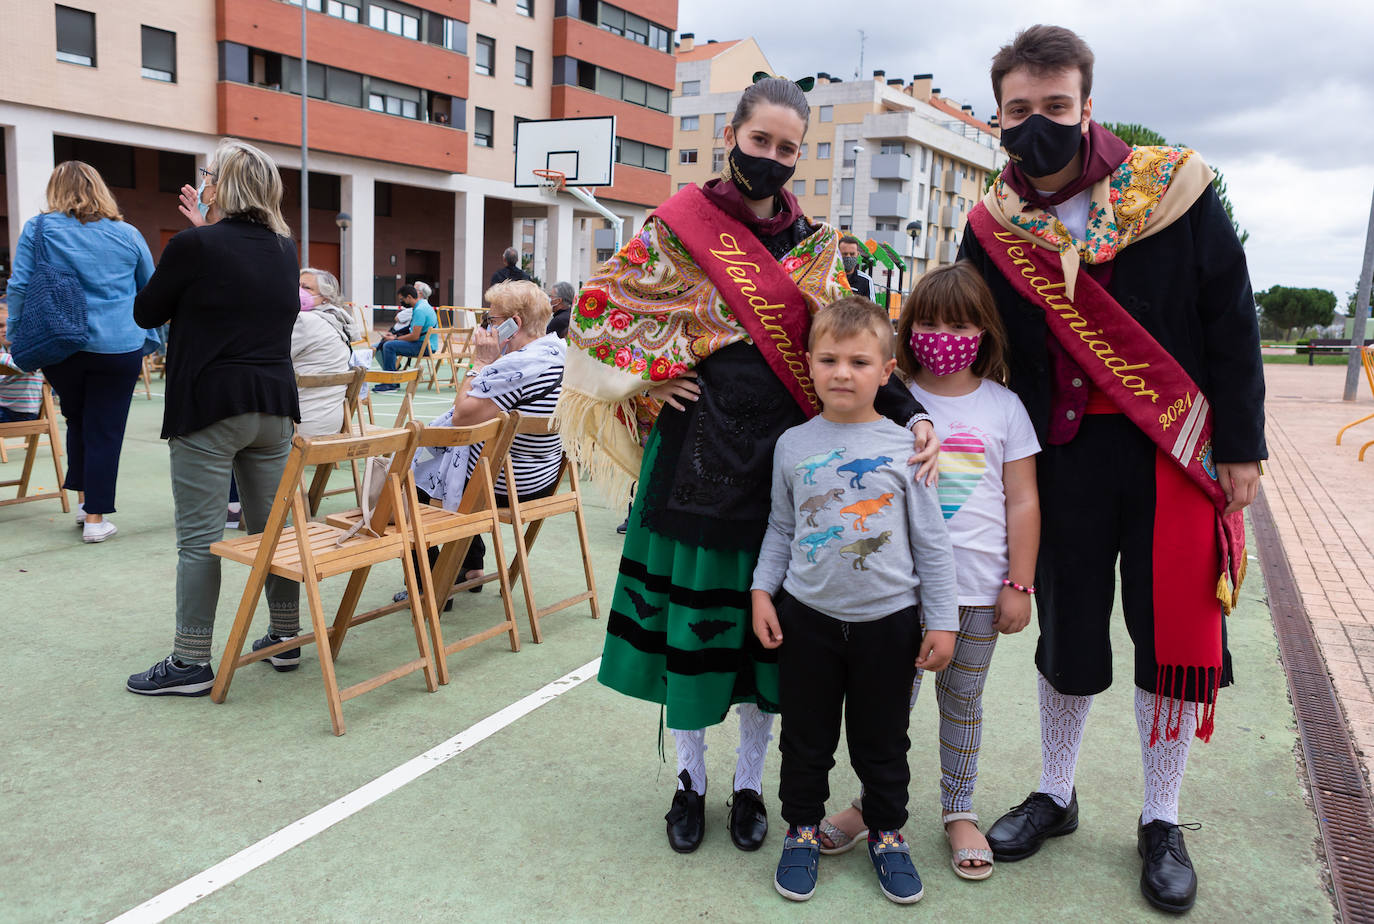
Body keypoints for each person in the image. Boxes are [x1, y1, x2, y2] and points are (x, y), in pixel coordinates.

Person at [557, 76, 939, 856]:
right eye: (758, 141)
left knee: (768, 647)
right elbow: (596, 312)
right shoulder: (674, 231)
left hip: (788, 471)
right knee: (697, 641)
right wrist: (652, 373)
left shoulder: (821, 251)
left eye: (786, 149)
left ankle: (748, 786)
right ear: (731, 136)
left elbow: (859, 349)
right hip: (694, 463)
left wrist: (917, 414)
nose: (770, 158)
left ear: (801, 155)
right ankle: (692, 782)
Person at [957, 26, 1265, 914]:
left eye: (1056, 107)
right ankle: (1056, 793)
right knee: (1070, 629)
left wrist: (1239, 444)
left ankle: (1160, 818)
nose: (1039, 124)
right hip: (1059, 457)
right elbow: (971, 344)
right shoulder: (991, 223)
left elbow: (1230, 316)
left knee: (1172, 636)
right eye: (1021, 111)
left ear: (1087, 105)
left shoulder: (1172, 186)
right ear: (1000, 118)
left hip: (1171, 448)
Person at [818, 263, 1041, 880]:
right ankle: (872, 805)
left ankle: (959, 810)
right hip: (895, 595)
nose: (944, 335)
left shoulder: (1005, 406)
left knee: (962, 704)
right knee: (885, 708)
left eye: (960, 324)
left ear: (983, 332)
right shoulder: (889, 400)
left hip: (976, 596)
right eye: (930, 323)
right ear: (908, 331)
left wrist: (1019, 583)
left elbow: (1022, 498)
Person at [751, 297, 958, 904]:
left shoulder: (908, 448)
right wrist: (763, 590)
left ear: (886, 372)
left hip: (889, 625)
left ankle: (888, 832)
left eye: (859, 361)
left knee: (883, 739)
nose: (843, 372)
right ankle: (801, 830)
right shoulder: (792, 445)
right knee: (805, 737)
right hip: (806, 619)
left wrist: (942, 620)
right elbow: (782, 528)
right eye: (829, 359)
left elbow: (932, 542)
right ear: (809, 366)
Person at [127, 138, 303, 696]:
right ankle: (284, 638)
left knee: (199, 540)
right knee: (271, 531)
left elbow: (146, 310)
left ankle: (191, 660)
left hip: (209, 405)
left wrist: (199, 231)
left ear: (220, 184)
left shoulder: (194, 245)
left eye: (208, 174)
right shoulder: (284, 248)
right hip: (274, 405)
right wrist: (206, 229)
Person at [5, 161, 157, 542]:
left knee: (77, 420)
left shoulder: (39, 229)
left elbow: (21, 285)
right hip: (119, 345)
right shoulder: (128, 234)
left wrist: (15, 332)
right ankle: (95, 518)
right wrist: (152, 338)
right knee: (105, 428)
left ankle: (86, 503)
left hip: (61, 343)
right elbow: (150, 289)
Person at [408, 280, 564, 601]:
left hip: (507, 487)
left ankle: (432, 585)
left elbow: (462, 415)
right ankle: (471, 566)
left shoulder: (517, 368)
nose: (486, 327)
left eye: (490, 321)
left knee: (405, 482)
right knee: (472, 458)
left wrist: (480, 364)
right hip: (542, 481)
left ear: (513, 324)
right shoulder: (562, 357)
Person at [294, 267, 357, 437]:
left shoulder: (305, 321)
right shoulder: (339, 322)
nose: (298, 290)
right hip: (333, 423)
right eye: (296, 285)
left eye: (306, 287)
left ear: (325, 297)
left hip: (299, 424)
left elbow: (268, 357)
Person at [375, 284, 438, 387]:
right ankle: (391, 377)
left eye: (402, 300)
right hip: (427, 344)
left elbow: (415, 336)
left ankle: (390, 383)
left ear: (409, 297)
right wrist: (394, 334)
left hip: (424, 346)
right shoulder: (423, 306)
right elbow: (412, 330)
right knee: (388, 343)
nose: (401, 303)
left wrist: (395, 338)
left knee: (388, 346)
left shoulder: (419, 310)